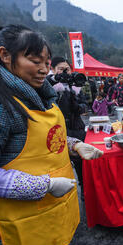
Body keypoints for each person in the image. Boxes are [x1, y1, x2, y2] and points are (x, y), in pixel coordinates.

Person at [0, 24, 104, 245]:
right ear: (5, 55)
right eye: (34, 60)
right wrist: (43, 186)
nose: (44, 69)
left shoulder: (39, 95)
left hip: (52, 201)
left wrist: (74, 146)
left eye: (46, 62)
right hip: (23, 205)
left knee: (55, 244)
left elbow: (45, 141)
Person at [48, 57, 88, 194]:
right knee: (61, 164)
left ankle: (83, 190)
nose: (65, 72)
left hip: (77, 128)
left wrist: (78, 105)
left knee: (80, 163)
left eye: (67, 69)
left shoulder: (75, 87)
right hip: (59, 130)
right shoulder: (49, 87)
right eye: (61, 69)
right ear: (52, 70)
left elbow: (84, 106)